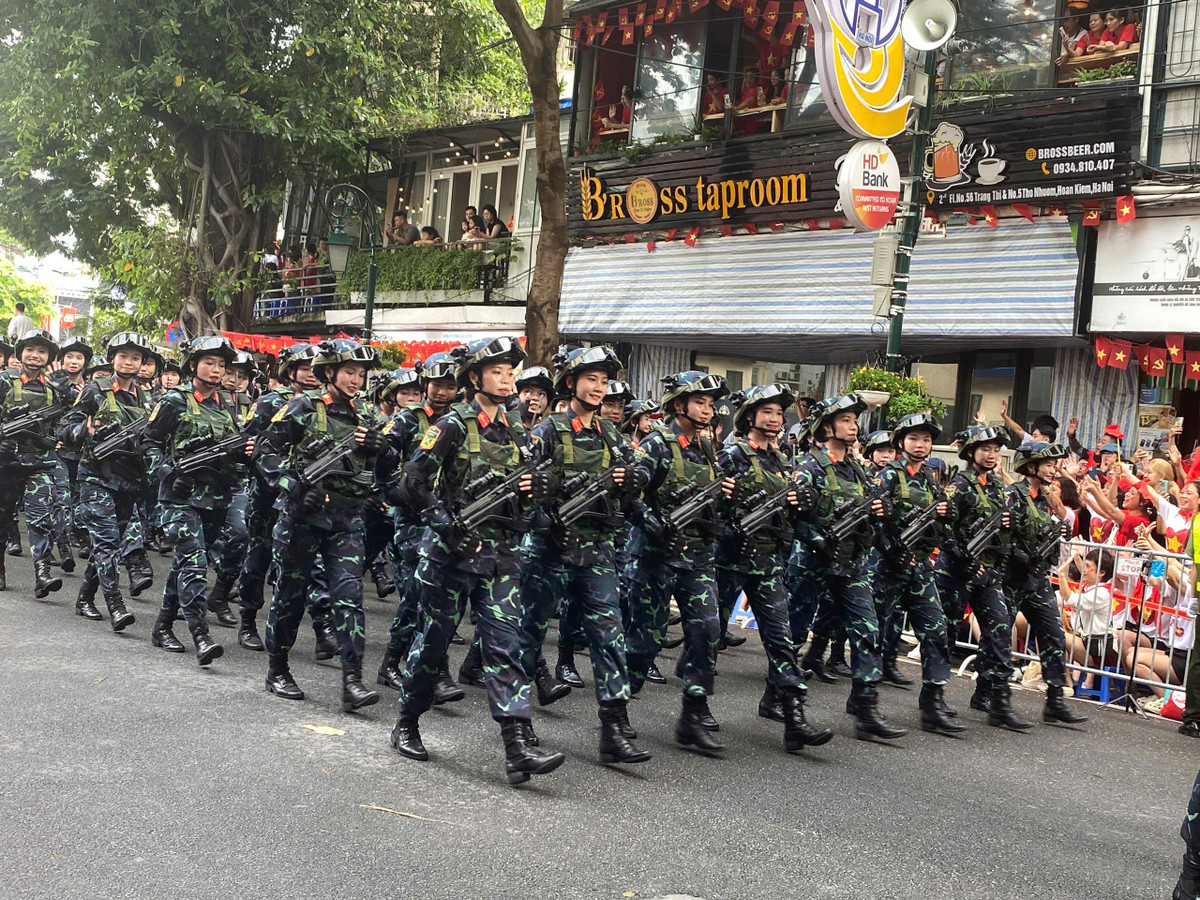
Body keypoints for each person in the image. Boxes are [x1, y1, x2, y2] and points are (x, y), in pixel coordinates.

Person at [389, 336, 566, 785]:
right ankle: (407, 722)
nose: (507, 380)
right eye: (497, 372)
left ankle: (518, 745)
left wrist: (533, 494)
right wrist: (444, 523)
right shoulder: (451, 425)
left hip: (500, 556)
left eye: (511, 373)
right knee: (433, 642)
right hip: (451, 554)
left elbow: (533, 500)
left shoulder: (521, 432)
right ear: (475, 378)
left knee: (506, 645)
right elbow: (411, 481)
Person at [522, 346, 653, 766]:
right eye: (591, 379)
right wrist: (547, 520)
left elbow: (637, 480)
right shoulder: (547, 431)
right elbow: (522, 490)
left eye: (603, 381)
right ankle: (519, 723)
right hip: (550, 552)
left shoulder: (612, 435)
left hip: (597, 551)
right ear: (571, 383)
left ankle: (613, 728)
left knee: (608, 636)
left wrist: (634, 479)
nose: (598, 388)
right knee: (530, 633)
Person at [256, 339, 393, 710]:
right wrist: (294, 487)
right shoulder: (303, 406)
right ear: (329, 372)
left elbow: (392, 467)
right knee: (290, 595)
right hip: (302, 519)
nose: (356, 380)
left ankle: (353, 680)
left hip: (348, 520)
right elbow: (264, 451)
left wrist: (382, 447)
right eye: (350, 371)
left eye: (362, 374)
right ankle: (278, 668)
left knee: (349, 598)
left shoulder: (367, 415)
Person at [716, 384, 833, 751]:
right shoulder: (730, 455)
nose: (774, 419)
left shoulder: (785, 462)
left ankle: (792, 713)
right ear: (750, 417)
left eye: (779, 414)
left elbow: (794, 515)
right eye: (766, 412)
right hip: (730, 560)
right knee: (707, 637)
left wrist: (805, 506)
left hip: (769, 563)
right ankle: (695, 709)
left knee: (782, 641)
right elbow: (711, 507)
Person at [794, 394, 907, 741]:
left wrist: (880, 511)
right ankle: (782, 699)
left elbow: (880, 508)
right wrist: (817, 540)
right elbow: (793, 516)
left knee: (867, 630)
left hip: (851, 565)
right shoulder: (809, 467)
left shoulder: (858, 471)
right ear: (827, 427)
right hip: (813, 564)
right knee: (793, 634)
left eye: (854, 421)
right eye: (845, 420)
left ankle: (865, 705)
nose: (853, 426)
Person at [143, 335, 251, 666]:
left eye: (222, 365)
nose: (217, 370)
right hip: (179, 497)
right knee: (192, 562)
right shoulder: (175, 401)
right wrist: (166, 472)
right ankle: (200, 633)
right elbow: (147, 443)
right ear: (193, 365)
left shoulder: (227, 406)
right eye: (209, 363)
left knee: (187, 564)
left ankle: (162, 626)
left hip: (216, 498)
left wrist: (246, 455)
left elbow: (233, 452)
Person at [377, 351, 463, 700]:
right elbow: (381, 454)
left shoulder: (461, 422)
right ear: (425, 384)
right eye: (437, 385)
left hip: (448, 521)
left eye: (449, 386)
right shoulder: (407, 419)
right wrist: (387, 490)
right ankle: (419, 668)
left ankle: (403, 663)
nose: (442, 392)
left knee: (438, 597)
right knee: (419, 594)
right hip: (413, 519)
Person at [873, 413, 963, 734]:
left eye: (926, 439)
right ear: (901, 443)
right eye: (914, 439)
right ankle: (864, 699)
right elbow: (873, 520)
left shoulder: (929, 479)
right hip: (889, 567)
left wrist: (946, 514)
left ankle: (932, 701)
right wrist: (891, 548)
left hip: (922, 568)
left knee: (936, 631)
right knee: (875, 632)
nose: (921, 445)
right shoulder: (888, 476)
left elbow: (943, 525)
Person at [58, 332, 155, 630]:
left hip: (128, 480)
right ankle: (115, 604)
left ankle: (85, 598)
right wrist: (85, 432)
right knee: (108, 541)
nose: (129, 362)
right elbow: (65, 427)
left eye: (135, 358)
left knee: (108, 545)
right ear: (112, 358)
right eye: (123, 356)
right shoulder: (94, 390)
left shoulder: (146, 397)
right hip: (96, 476)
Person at [1005, 441, 1089, 725]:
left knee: (1053, 635)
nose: (1054, 470)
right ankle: (993, 695)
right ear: (1031, 466)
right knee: (999, 634)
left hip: (1037, 578)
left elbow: (1064, 529)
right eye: (1049, 465)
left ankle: (1055, 701)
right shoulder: (1013, 495)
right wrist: (1021, 556)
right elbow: (1004, 536)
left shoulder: (1045, 499)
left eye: (1055, 465)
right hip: (1012, 577)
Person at [0, 329, 68, 596]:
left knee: (40, 517)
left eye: (42, 351)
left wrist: (55, 438)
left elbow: (65, 424)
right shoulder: (4, 381)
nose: (35, 355)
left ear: (49, 357)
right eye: (30, 350)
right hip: (6, 462)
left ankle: (42, 572)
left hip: (39, 463)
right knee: (3, 518)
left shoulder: (53, 389)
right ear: (20, 353)